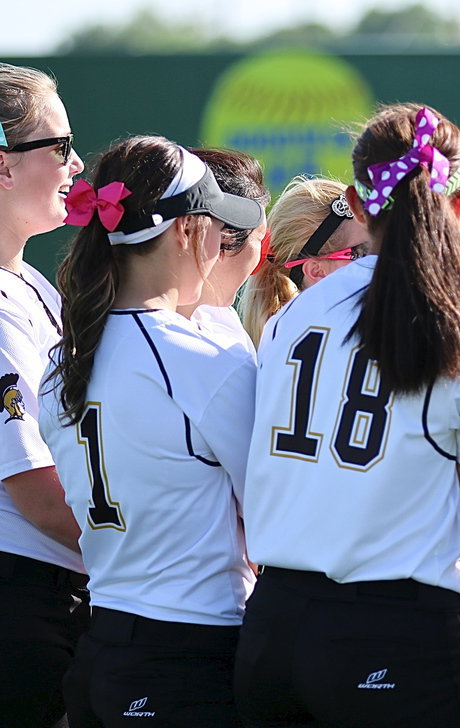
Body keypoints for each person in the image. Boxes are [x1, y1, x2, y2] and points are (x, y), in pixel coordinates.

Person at [235, 103, 460, 728]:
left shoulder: (293, 317)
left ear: (358, 201)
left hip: (274, 626)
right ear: (458, 202)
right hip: (391, 628)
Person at [38, 136, 264, 726]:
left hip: (103, 642)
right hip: (188, 655)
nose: (222, 246)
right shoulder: (201, 356)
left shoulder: (62, 359)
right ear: (189, 230)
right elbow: (270, 512)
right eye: (217, 226)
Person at [0, 61, 87, 728]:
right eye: (59, 146)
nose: (76, 163)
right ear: (4, 166)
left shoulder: (30, 285)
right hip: (22, 604)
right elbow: (37, 491)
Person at [239, 175, 370, 346]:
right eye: (364, 251)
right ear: (317, 271)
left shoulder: (277, 346)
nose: (379, 258)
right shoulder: (371, 340)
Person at [179, 147, 271, 351]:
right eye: (260, 237)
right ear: (222, 239)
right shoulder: (223, 351)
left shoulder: (222, 323)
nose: (265, 254)